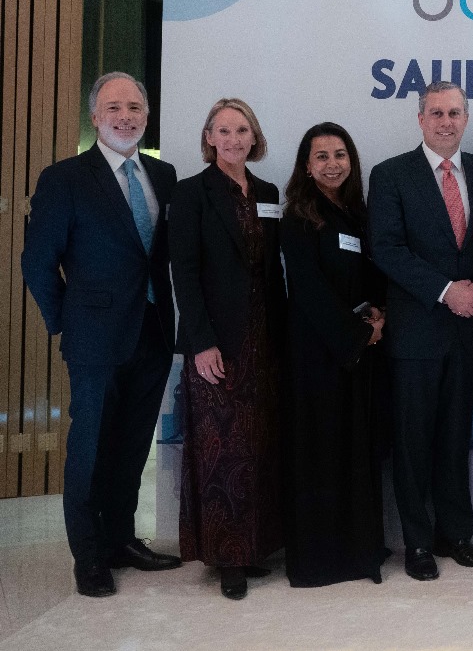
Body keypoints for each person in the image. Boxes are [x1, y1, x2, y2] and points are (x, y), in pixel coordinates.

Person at [21, 72, 182, 597]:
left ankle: (121, 540)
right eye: (114, 107)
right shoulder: (64, 178)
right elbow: (37, 262)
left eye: (135, 107)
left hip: (153, 333)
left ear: (147, 116)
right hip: (93, 339)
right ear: (94, 117)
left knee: (132, 445)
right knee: (90, 449)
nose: (125, 116)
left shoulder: (163, 175)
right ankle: (89, 556)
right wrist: (66, 322)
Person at [368, 81, 473, 582]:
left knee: (455, 438)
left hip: (470, 332)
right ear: (420, 119)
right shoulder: (390, 174)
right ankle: (418, 542)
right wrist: (447, 291)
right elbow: (385, 248)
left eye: (454, 113)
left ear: (466, 118)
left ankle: (456, 535)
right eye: (436, 113)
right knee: (412, 443)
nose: (446, 122)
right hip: (416, 334)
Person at [169, 98, 287, 600]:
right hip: (217, 342)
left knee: (259, 443)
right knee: (222, 447)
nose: (233, 139)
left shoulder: (268, 192)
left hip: (264, 337)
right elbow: (184, 272)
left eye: (242, 130)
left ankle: (254, 546)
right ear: (209, 138)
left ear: (254, 137)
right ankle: (227, 557)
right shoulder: (190, 193)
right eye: (224, 130)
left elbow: (271, 268)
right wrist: (201, 342)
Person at [280, 122, 388, 587]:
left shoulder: (358, 213)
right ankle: (321, 560)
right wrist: (358, 334)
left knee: (357, 450)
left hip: (359, 352)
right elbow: (308, 290)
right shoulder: (299, 218)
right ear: (306, 166)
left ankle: (360, 550)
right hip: (318, 354)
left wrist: (379, 315)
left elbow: (370, 275)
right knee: (320, 452)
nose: (332, 164)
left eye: (340, 155)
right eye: (321, 156)